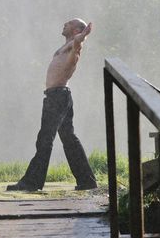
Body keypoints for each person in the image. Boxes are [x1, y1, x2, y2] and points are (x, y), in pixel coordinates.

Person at [7, 18, 97, 191]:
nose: (64, 23)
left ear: (77, 30)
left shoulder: (74, 45)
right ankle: (87, 181)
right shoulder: (65, 46)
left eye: (69, 23)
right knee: (69, 138)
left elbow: (79, 42)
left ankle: (32, 182)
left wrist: (83, 35)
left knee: (45, 138)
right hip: (58, 96)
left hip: (58, 96)